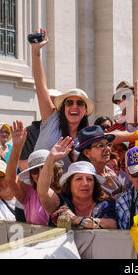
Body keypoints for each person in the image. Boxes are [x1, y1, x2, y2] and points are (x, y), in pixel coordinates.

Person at [30, 28, 94, 171]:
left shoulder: (88, 138)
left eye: (80, 103)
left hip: (65, 191)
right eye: (69, 102)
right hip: (36, 188)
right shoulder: (51, 118)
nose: (74, 106)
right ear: (63, 108)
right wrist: (36, 52)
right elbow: (41, 85)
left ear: (85, 110)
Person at [37, 137, 117, 229]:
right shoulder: (61, 202)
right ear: (69, 184)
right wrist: (51, 159)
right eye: (79, 179)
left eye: (89, 179)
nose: (85, 183)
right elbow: (43, 192)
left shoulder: (105, 204)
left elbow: (112, 224)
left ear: (95, 184)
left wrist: (76, 219)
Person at [5, 121, 63, 225]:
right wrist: (17, 147)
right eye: (35, 171)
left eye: (45, 168)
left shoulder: (66, 191)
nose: (41, 173)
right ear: (31, 175)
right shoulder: (28, 193)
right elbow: (10, 179)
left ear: (55, 169)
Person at [75, 125, 127, 201]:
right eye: (100, 145)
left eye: (108, 144)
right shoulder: (85, 179)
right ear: (86, 152)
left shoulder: (109, 171)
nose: (107, 149)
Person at [18, 89, 61, 171]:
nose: (51, 108)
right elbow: (23, 165)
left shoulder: (70, 128)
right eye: (48, 104)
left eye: (56, 104)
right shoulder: (30, 132)